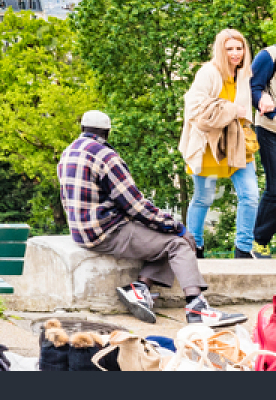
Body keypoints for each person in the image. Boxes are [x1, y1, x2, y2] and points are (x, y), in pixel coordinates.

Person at [59, 108, 244, 327]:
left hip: (82, 232)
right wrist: (176, 227)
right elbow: (136, 206)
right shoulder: (105, 157)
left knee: (162, 237)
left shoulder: (68, 153)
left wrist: (163, 225)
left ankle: (140, 289)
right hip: (107, 232)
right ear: (107, 133)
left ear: (83, 129)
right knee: (177, 242)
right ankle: (197, 307)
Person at [181, 29, 260, 258]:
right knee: (203, 197)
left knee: (250, 195)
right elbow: (194, 108)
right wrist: (232, 110)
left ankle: (243, 249)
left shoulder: (245, 74)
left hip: (236, 142)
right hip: (209, 143)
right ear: (220, 50)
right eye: (229, 49)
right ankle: (194, 247)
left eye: (239, 48)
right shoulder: (208, 73)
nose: (235, 53)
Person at [245, 39, 276, 253]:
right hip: (271, 130)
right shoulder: (269, 56)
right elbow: (252, 87)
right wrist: (263, 100)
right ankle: (259, 241)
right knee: (275, 188)